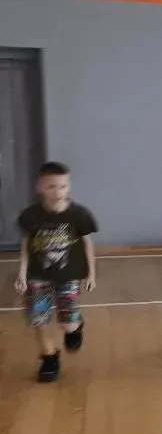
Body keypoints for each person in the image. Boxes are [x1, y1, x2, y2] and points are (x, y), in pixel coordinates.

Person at [15, 161, 98, 383]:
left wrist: (91, 273)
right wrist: (22, 272)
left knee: (67, 321)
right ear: (40, 187)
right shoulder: (31, 216)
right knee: (39, 319)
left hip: (67, 276)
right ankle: (49, 358)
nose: (58, 192)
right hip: (38, 276)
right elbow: (25, 244)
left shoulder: (78, 215)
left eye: (62, 186)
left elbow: (87, 243)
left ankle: (75, 327)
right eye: (51, 186)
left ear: (69, 186)